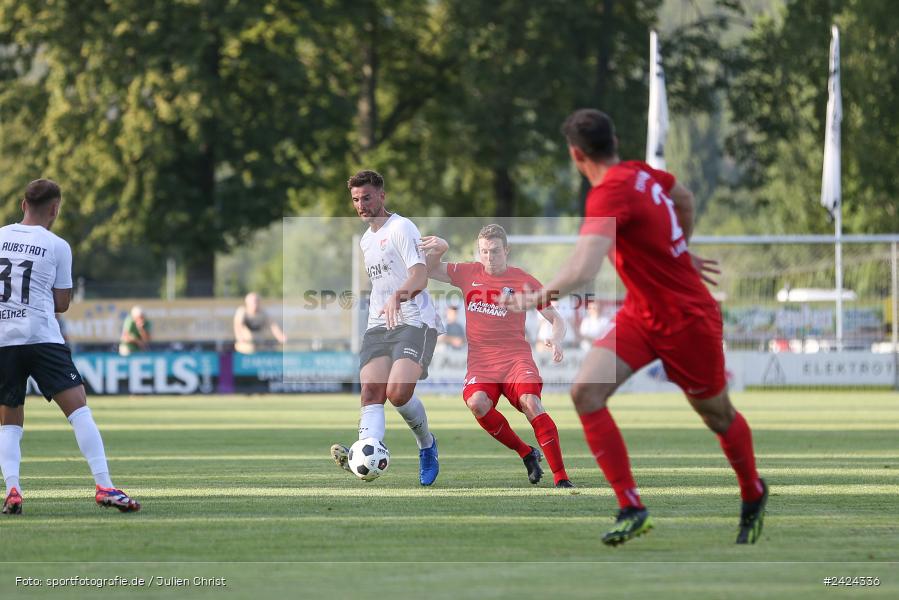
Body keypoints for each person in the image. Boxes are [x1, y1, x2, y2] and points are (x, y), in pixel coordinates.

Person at [504, 109, 766, 546]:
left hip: (687, 320)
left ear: (575, 155)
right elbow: (684, 198)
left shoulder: (608, 193)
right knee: (586, 394)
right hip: (642, 314)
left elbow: (584, 268)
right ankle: (631, 507)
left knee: (717, 414)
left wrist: (534, 298)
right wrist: (678, 248)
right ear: (614, 143)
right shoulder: (641, 173)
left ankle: (753, 491)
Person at [0, 179, 140, 515]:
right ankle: (104, 485)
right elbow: (61, 303)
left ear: (23, 205)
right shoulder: (57, 245)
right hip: (41, 337)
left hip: (3, 340)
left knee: (9, 420)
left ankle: (13, 489)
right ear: (54, 210)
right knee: (79, 411)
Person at [421, 224, 574, 487]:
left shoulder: (524, 281)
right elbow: (428, 269)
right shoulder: (467, 272)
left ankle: (561, 478)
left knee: (531, 403)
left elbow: (556, 318)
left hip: (516, 359)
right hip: (481, 362)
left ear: (506, 250)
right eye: (484, 251)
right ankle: (526, 453)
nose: (489, 257)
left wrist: (556, 339)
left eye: (494, 251)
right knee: (477, 404)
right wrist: (441, 248)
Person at [330, 170, 442, 486]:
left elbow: (420, 276)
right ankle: (364, 452)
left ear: (382, 195)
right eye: (355, 199)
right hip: (380, 323)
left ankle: (427, 446)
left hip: (415, 320)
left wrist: (398, 296)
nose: (361, 205)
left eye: (366, 197)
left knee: (398, 393)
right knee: (371, 391)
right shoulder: (366, 240)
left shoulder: (401, 227)